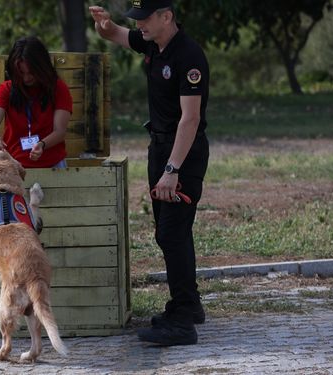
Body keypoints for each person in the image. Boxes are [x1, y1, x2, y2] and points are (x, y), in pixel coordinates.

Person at [90, 0, 210, 346]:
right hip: (159, 148)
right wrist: (104, 24)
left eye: (145, 18)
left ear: (167, 17)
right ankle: (188, 304)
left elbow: (190, 120)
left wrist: (172, 170)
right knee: (170, 231)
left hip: (181, 154)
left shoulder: (188, 56)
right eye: (137, 18)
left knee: (172, 233)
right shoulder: (155, 43)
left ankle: (183, 320)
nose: (139, 24)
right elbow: (117, 33)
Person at [0, 36, 72, 168]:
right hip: (14, 166)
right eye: (21, 73)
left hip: (53, 165)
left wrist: (42, 144)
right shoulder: (6, 88)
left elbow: (59, 131)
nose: (26, 78)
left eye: (31, 73)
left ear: (42, 68)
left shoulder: (59, 88)